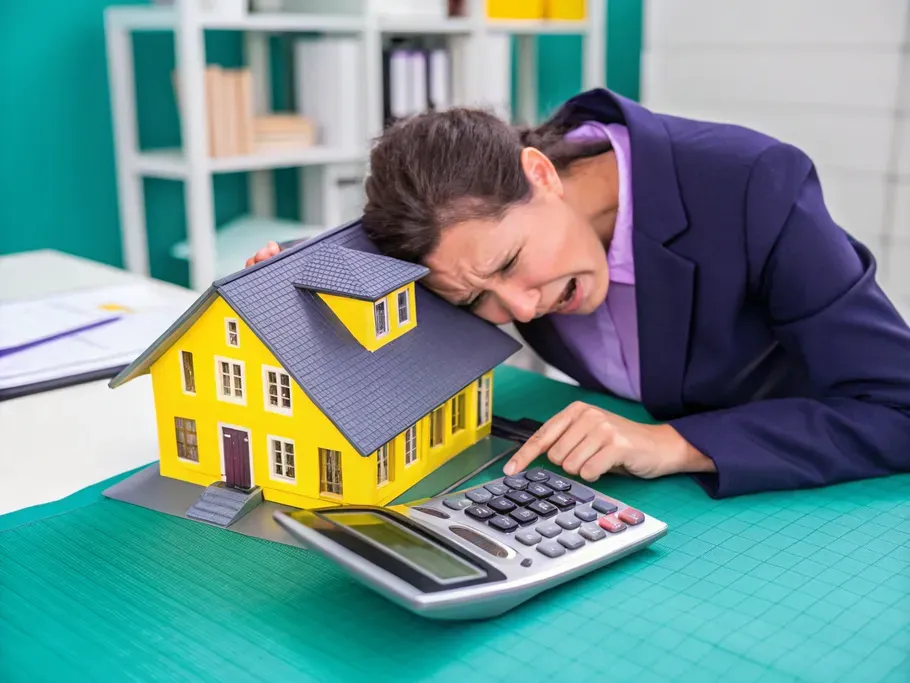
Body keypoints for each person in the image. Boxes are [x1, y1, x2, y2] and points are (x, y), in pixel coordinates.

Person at [246, 88, 910, 498]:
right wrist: (307, 276)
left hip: (800, 491)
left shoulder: (754, 185)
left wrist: (673, 443)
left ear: (540, 173)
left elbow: (898, 407)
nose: (523, 311)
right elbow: (436, 269)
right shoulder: (474, 248)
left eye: (511, 262)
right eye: (482, 303)